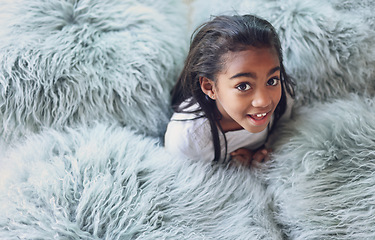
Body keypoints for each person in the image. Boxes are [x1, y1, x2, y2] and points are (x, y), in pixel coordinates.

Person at [164, 14, 294, 167]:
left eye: (271, 81)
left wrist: (261, 152)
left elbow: (283, 133)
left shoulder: (284, 96)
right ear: (209, 87)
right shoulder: (186, 139)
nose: (264, 101)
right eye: (243, 86)